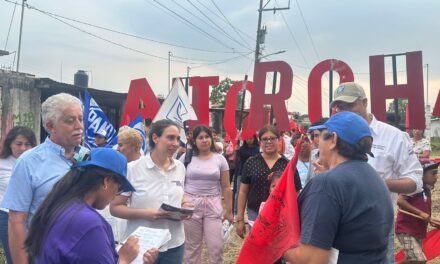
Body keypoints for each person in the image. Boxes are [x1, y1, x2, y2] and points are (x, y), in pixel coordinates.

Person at [330, 82, 423, 263]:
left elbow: (415, 181)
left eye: (350, 105)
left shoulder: (393, 136)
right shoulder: (333, 135)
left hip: (377, 226)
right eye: (340, 107)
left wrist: (378, 182)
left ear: (364, 103)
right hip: (337, 224)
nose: (345, 111)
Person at [284, 112, 394, 263]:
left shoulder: (327, 184)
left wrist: (279, 246)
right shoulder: (375, 178)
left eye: (320, 136)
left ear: (333, 140)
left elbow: (312, 259)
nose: (316, 144)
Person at [24, 148, 158, 263]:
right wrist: (124, 258)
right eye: (119, 188)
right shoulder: (89, 224)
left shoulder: (60, 205)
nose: (115, 195)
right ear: (107, 181)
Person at [1, 93, 88, 263]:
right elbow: (17, 220)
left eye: (80, 119)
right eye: (70, 121)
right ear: (51, 126)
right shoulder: (29, 162)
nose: (79, 126)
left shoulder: (88, 157)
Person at [110, 119, 187, 264]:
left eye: (178, 139)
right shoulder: (133, 169)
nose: (176, 143)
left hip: (174, 244)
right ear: (155, 138)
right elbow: (115, 208)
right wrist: (147, 213)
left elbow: (180, 195)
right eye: (170, 137)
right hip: (142, 245)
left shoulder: (180, 167)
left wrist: (186, 204)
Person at [236, 126, 302, 238]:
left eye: (272, 138)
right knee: (257, 248)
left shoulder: (287, 165)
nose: (269, 141)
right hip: (255, 213)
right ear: (260, 141)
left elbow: (296, 192)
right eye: (265, 139)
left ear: (279, 140)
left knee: (277, 250)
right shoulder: (251, 162)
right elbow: (243, 191)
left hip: (280, 216)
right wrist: (240, 219)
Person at [180, 125, 233, 264]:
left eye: (207, 137)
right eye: (200, 137)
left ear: (212, 139)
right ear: (194, 141)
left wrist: (229, 211)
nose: (204, 140)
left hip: (213, 206)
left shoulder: (220, 159)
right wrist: (181, 201)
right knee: (192, 247)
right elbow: (177, 183)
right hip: (190, 205)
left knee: (216, 246)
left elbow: (226, 187)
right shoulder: (186, 157)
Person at [0, 126, 36, 264]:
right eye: (18, 144)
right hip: (6, 215)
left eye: (28, 144)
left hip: (32, 216)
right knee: (15, 257)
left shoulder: (35, 162)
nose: (23, 148)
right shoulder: (2, 162)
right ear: (10, 144)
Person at [395, 160, 440, 264]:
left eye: (437, 173)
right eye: (433, 173)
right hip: (406, 229)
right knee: (418, 260)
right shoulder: (414, 186)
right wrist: (420, 213)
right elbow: (400, 200)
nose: (436, 177)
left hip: (418, 231)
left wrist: (432, 220)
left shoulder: (427, 189)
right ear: (421, 174)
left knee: (412, 259)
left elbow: (424, 212)